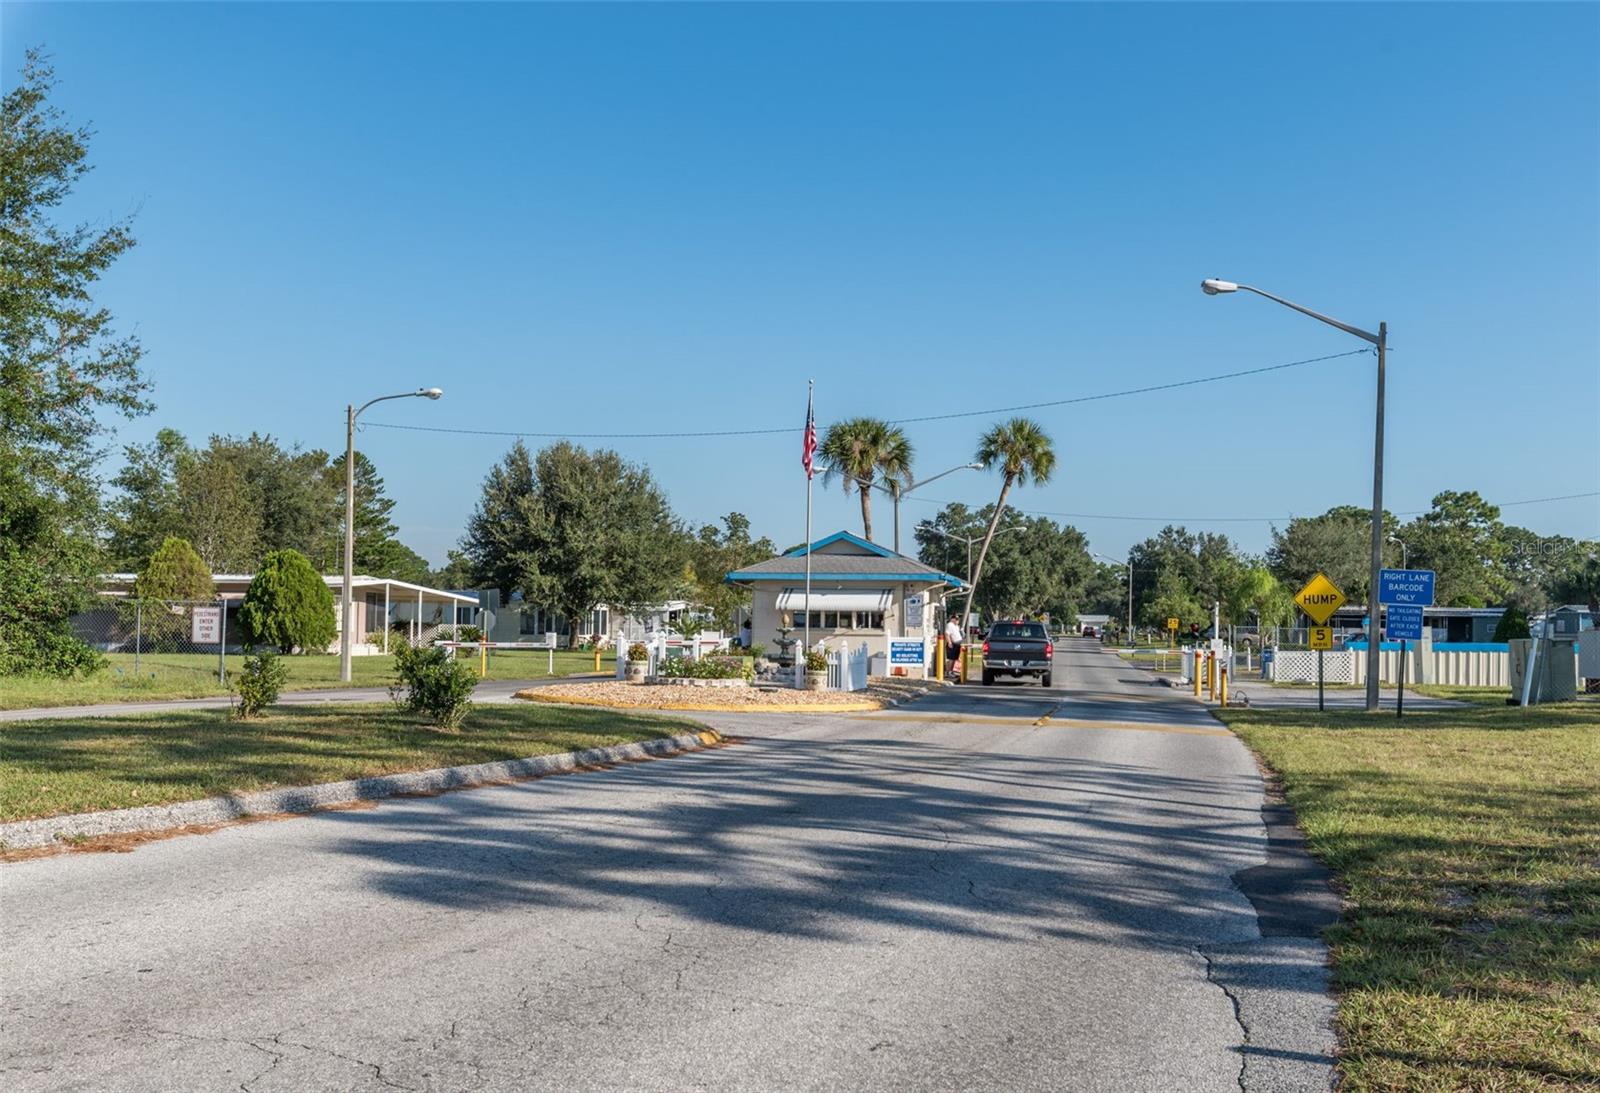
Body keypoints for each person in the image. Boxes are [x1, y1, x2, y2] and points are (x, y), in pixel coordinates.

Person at [944, 614, 964, 681]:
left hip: (957, 644)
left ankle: (951, 671)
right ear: (952, 619)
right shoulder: (949, 625)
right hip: (952, 644)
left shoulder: (956, 626)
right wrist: (949, 642)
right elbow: (947, 634)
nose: (957, 620)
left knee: (955, 658)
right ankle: (948, 672)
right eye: (956, 619)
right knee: (951, 659)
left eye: (958, 619)